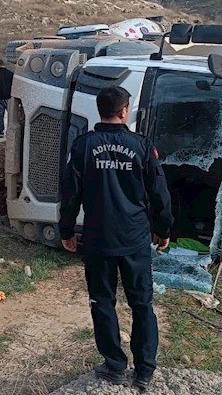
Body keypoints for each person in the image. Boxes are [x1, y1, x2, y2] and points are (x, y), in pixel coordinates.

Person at [58, 86, 173, 392]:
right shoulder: (142, 146)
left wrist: (67, 230)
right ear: (125, 111)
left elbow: (70, 195)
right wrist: (164, 229)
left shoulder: (83, 146)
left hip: (98, 239)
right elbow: (160, 193)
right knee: (142, 304)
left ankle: (115, 365)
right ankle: (145, 370)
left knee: (103, 303)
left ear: (100, 110)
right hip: (135, 239)